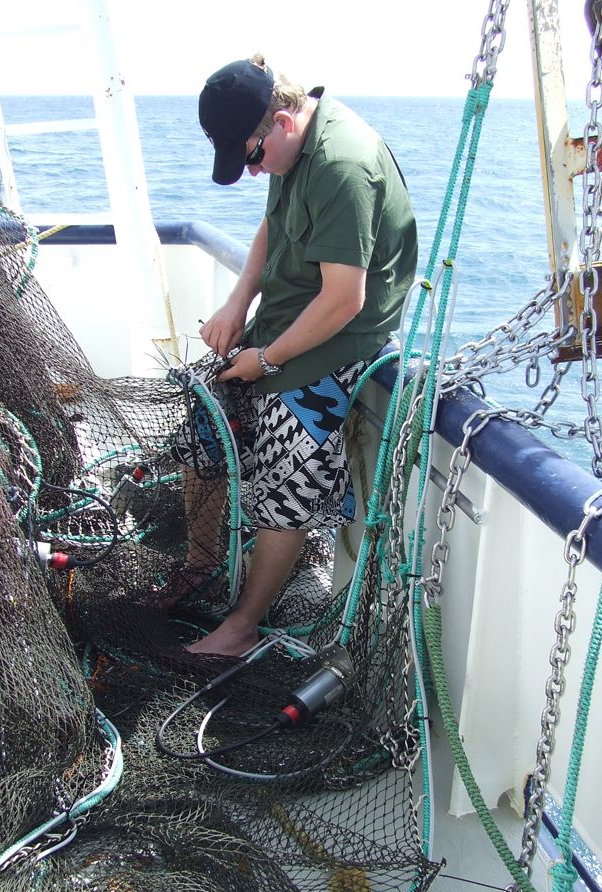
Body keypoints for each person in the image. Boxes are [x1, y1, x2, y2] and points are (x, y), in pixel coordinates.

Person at [184, 54, 418, 656]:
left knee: (285, 474)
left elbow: (343, 301)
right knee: (202, 418)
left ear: (282, 120)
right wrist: (239, 304)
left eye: (254, 157)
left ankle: (241, 627)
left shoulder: (342, 165)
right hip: (285, 317)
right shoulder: (290, 146)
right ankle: (199, 568)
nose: (256, 171)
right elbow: (270, 226)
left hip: (336, 341)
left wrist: (265, 362)